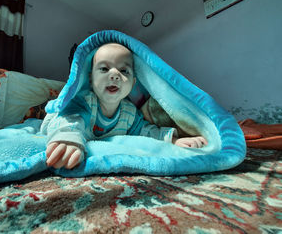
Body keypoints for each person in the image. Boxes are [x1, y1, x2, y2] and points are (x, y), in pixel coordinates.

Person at [40, 43, 207, 169]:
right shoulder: (85, 101)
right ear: (91, 79)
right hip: (57, 121)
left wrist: (174, 141)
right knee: (57, 116)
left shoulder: (129, 113)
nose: (114, 75)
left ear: (133, 83)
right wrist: (69, 139)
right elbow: (70, 119)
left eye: (124, 71)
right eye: (104, 69)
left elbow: (146, 131)